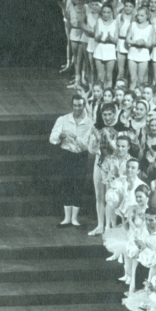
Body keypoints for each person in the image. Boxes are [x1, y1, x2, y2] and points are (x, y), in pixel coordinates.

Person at [49, 94, 94, 229]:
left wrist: (77, 138)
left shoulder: (89, 123)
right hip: (67, 155)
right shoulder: (63, 119)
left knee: (78, 185)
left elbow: (89, 146)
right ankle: (67, 218)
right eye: (74, 105)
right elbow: (52, 138)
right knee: (67, 183)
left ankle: (74, 218)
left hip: (81, 156)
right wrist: (60, 135)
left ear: (84, 105)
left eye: (80, 105)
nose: (77, 108)